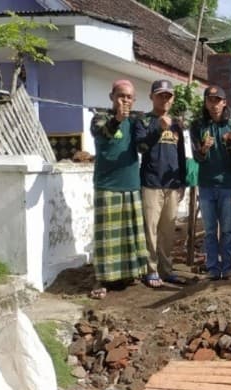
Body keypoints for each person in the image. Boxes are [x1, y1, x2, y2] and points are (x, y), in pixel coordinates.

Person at [89, 79, 148, 298]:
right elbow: (103, 133)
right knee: (107, 238)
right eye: (121, 96)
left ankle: (128, 274)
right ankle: (102, 278)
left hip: (131, 184)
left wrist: (156, 131)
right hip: (107, 185)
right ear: (112, 97)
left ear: (134, 100)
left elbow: (143, 147)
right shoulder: (100, 118)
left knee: (128, 235)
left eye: (129, 97)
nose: (125, 100)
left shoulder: (135, 122)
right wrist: (117, 120)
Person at [134, 79, 187, 288]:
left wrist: (182, 181)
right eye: (160, 95)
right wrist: (157, 130)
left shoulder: (176, 125)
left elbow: (181, 155)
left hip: (172, 185)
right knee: (151, 229)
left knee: (168, 230)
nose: (164, 99)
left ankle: (166, 269)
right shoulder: (144, 122)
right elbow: (141, 147)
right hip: (151, 183)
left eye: (168, 96)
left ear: (172, 99)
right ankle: (152, 270)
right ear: (151, 97)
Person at [190, 85, 231, 281]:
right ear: (205, 103)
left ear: (224, 102)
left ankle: (227, 268)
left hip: (228, 185)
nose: (214, 105)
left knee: (228, 230)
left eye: (217, 100)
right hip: (206, 185)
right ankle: (213, 268)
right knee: (210, 230)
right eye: (210, 101)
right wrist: (204, 149)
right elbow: (197, 157)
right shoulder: (197, 126)